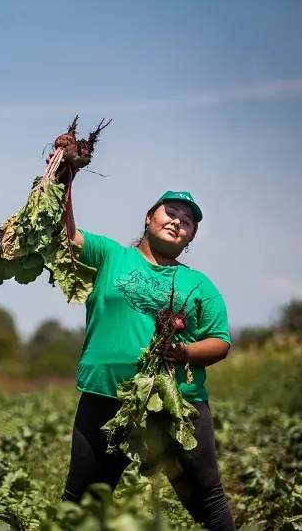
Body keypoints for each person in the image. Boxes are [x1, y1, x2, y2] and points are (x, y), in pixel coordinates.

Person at [59, 184, 236, 531]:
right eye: (171, 212)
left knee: (207, 499)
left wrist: (184, 351)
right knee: (83, 500)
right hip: (104, 396)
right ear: (149, 217)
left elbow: (220, 342)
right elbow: (68, 235)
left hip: (177, 406)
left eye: (187, 222)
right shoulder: (112, 255)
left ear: (190, 238)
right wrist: (65, 179)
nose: (177, 222)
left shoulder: (198, 284)